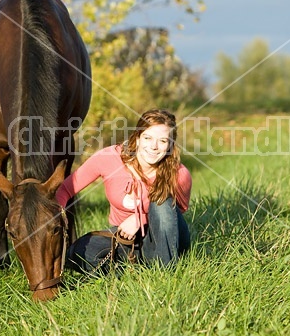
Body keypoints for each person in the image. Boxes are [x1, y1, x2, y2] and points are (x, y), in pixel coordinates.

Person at [56, 109, 192, 275]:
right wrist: (58, 216)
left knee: (162, 202)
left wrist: (141, 218)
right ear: (137, 137)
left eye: (163, 141)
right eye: (147, 138)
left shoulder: (180, 174)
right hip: (125, 238)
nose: (154, 147)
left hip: (164, 240)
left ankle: (164, 274)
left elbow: (176, 213)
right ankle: (136, 272)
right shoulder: (109, 158)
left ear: (171, 145)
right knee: (76, 253)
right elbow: (65, 189)